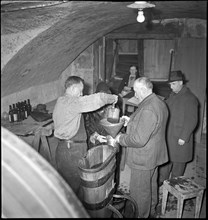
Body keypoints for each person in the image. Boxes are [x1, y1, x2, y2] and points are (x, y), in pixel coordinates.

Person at [111, 76, 169, 218]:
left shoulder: (148, 108)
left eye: (136, 91)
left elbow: (138, 140)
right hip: (153, 154)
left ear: (143, 90)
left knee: (139, 192)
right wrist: (130, 122)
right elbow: (152, 126)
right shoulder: (158, 101)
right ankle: (152, 211)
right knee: (150, 186)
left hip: (143, 157)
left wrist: (119, 138)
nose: (135, 94)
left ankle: (141, 214)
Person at [53, 76, 118, 199]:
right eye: (80, 90)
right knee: (73, 189)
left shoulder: (61, 101)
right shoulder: (71, 102)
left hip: (64, 148)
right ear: (72, 88)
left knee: (71, 187)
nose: (82, 94)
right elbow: (98, 99)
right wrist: (113, 98)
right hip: (71, 151)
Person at [158, 70, 199, 186]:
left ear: (181, 82)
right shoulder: (173, 96)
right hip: (170, 133)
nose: (171, 87)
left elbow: (192, 120)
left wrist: (184, 137)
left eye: (173, 84)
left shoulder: (190, 99)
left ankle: (174, 184)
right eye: (170, 84)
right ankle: (162, 179)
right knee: (167, 159)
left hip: (180, 136)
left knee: (178, 162)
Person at [84, 81, 113, 149]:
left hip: (109, 141)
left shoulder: (113, 108)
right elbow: (87, 127)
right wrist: (94, 135)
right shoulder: (91, 110)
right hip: (95, 142)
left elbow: (118, 127)